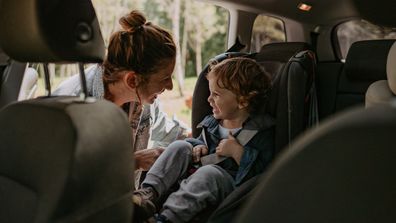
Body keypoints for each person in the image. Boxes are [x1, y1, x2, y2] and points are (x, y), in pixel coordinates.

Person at [53, 10, 190, 188]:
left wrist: (203, 138)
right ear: (132, 80)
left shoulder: (142, 98)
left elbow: (165, 129)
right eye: (164, 78)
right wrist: (134, 162)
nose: (170, 86)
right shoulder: (72, 106)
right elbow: (63, 178)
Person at [133, 57, 275, 223]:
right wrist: (197, 146)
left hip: (231, 189)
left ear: (242, 101)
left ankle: (168, 218)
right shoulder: (213, 123)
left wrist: (238, 152)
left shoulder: (260, 132)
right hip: (199, 176)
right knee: (180, 146)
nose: (209, 99)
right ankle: (148, 194)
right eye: (210, 93)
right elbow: (202, 142)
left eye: (216, 94)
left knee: (209, 173)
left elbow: (264, 177)